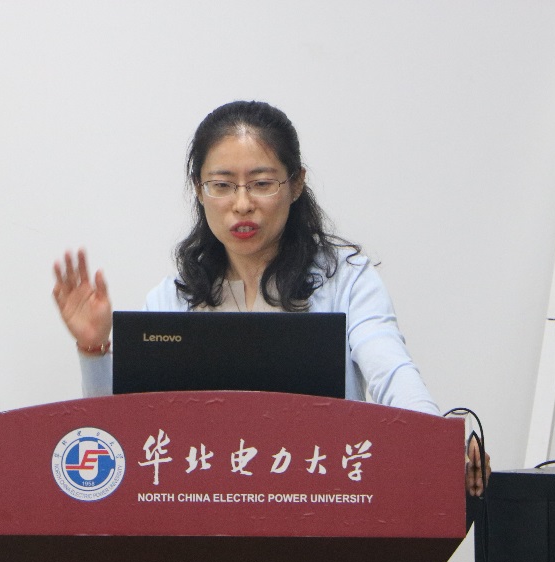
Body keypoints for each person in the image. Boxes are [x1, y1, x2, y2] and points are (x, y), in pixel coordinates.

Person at [52, 100, 488, 494]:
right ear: (199, 190)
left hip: (325, 503)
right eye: (222, 185)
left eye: (261, 183)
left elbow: (391, 371)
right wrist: (94, 348)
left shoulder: (346, 281)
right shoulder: (173, 299)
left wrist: (437, 444)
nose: (242, 204)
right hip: (201, 513)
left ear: (296, 184)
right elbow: (115, 440)